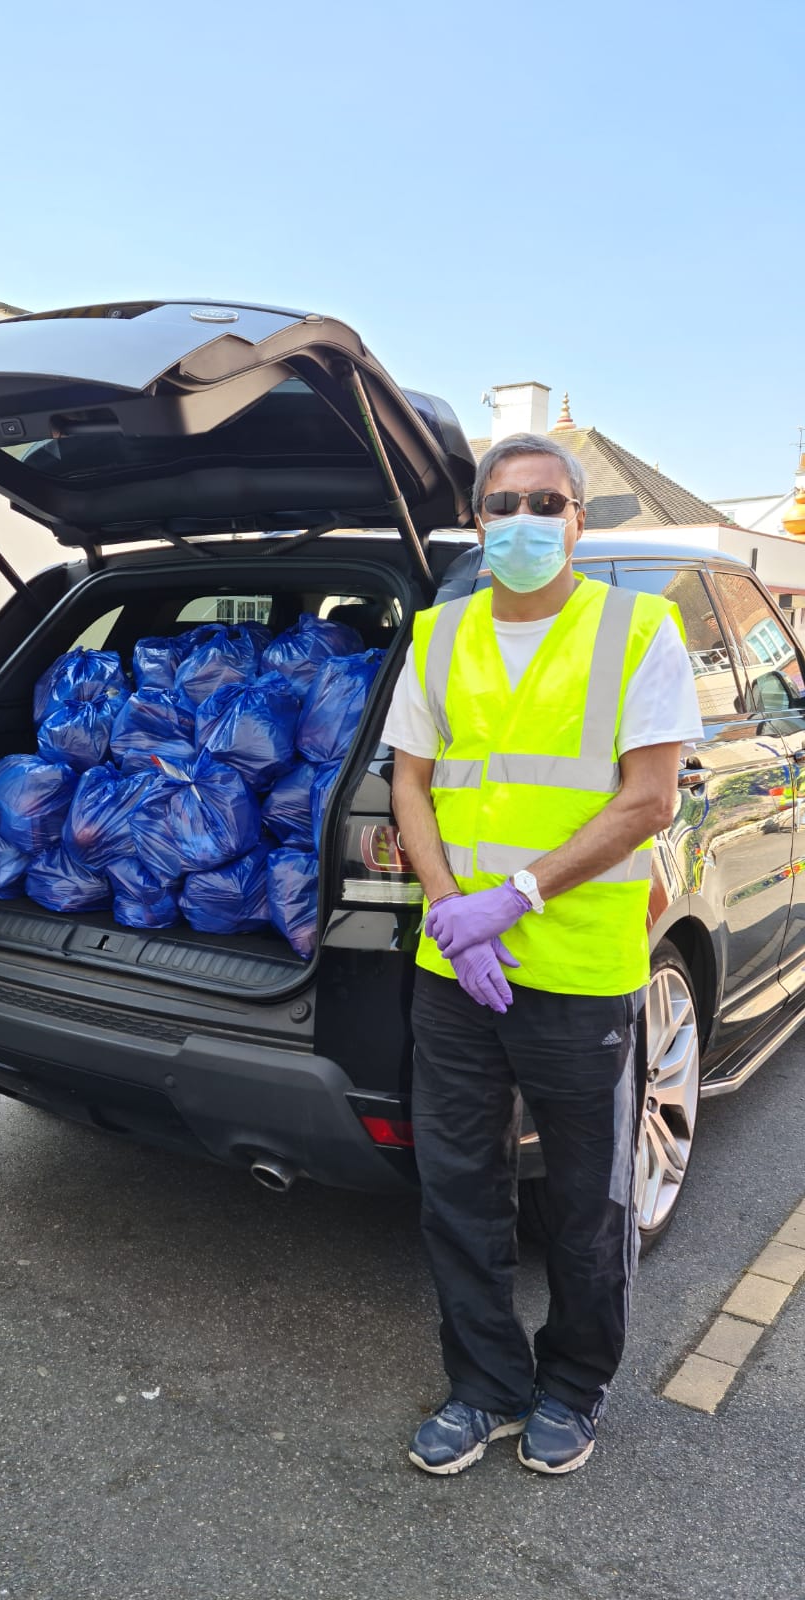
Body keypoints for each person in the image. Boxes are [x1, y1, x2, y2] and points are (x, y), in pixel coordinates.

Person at [385, 433, 703, 1476]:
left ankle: (573, 1385)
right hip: (456, 972)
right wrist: (446, 909)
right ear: (478, 521)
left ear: (578, 519)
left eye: (546, 502)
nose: (523, 520)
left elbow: (649, 798)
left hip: (578, 966)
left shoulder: (639, 629)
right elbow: (411, 787)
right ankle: (484, 1385)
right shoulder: (435, 635)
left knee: (585, 1197)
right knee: (459, 1187)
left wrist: (512, 900)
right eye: (503, 503)